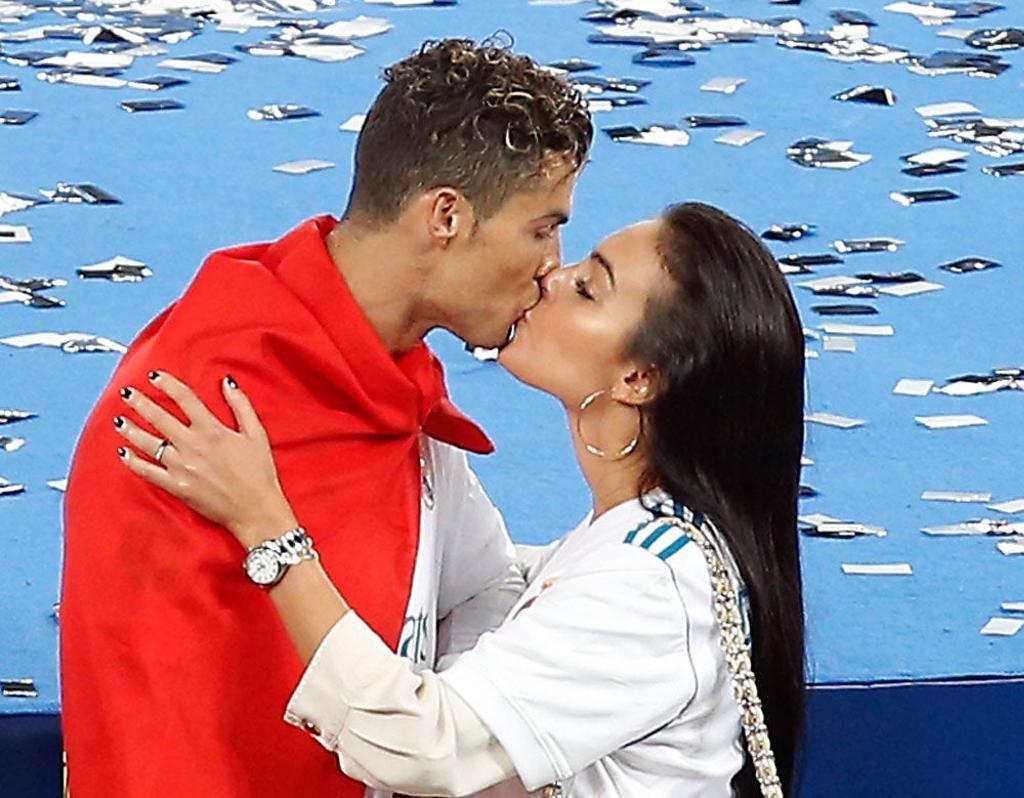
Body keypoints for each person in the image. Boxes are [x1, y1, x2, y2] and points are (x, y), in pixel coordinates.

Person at [113, 203, 808, 797]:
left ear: (639, 377)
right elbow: (495, 589)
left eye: (589, 288)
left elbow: (422, 746)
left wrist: (267, 528)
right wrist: (406, 432)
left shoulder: (649, 579)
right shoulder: (635, 538)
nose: (551, 277)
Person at [60, 38, 593, 798]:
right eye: (542, 228)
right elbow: (152, 743)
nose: (554, 266)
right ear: (446, 215)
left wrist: (446, 731)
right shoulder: (192, 418)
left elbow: (480, 586)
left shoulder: (391, 380)